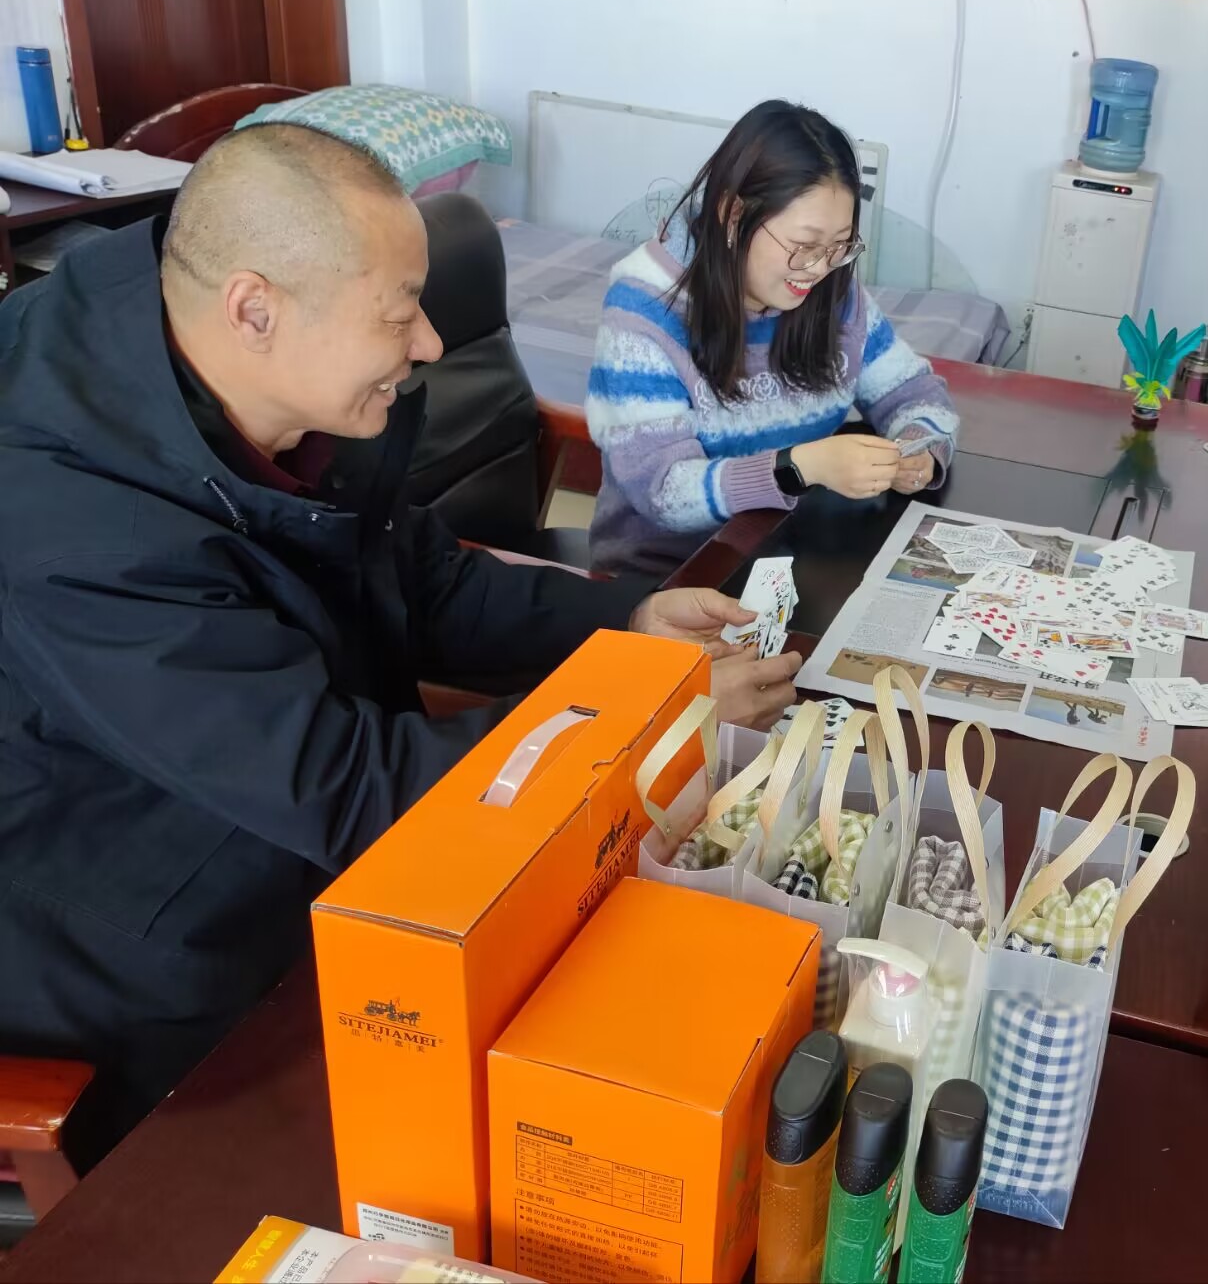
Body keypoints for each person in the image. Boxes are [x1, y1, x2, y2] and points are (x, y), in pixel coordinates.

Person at [0, 124, 800, 1169]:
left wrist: (626, 626)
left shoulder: (258, 385)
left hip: (304, 833)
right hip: (160, 955)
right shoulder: (74, 525)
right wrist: (656, 725)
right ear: (254, 309)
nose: (428, 343)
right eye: (399, 313)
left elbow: (422, 578)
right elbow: (348, 786)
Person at [588, 100, 960, 576]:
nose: (820, 268)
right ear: (732, 215)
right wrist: (799, 467)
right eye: (804, 246)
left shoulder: (834, 293)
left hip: (785, 555)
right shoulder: (644, 311)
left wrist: (919, 447)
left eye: (840, 245)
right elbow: (663, 492)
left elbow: (913, 391)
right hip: (669, 577)